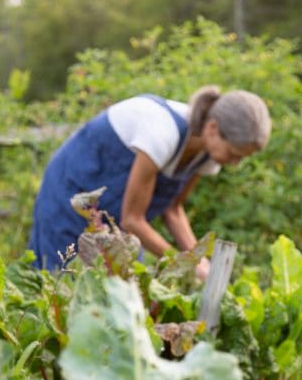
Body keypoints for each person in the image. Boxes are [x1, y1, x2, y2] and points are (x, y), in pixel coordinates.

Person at [28, 86, 272, 277]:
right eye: (234, 154)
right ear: (212, 127)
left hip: (113, 218)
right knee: (64, 283)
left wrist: (199, 262)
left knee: (127, 294)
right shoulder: (162, 132)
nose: (235, 163)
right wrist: (184, 265)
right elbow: (133, 219)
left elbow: (173, 210)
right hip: (71, 196)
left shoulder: (207, 155)